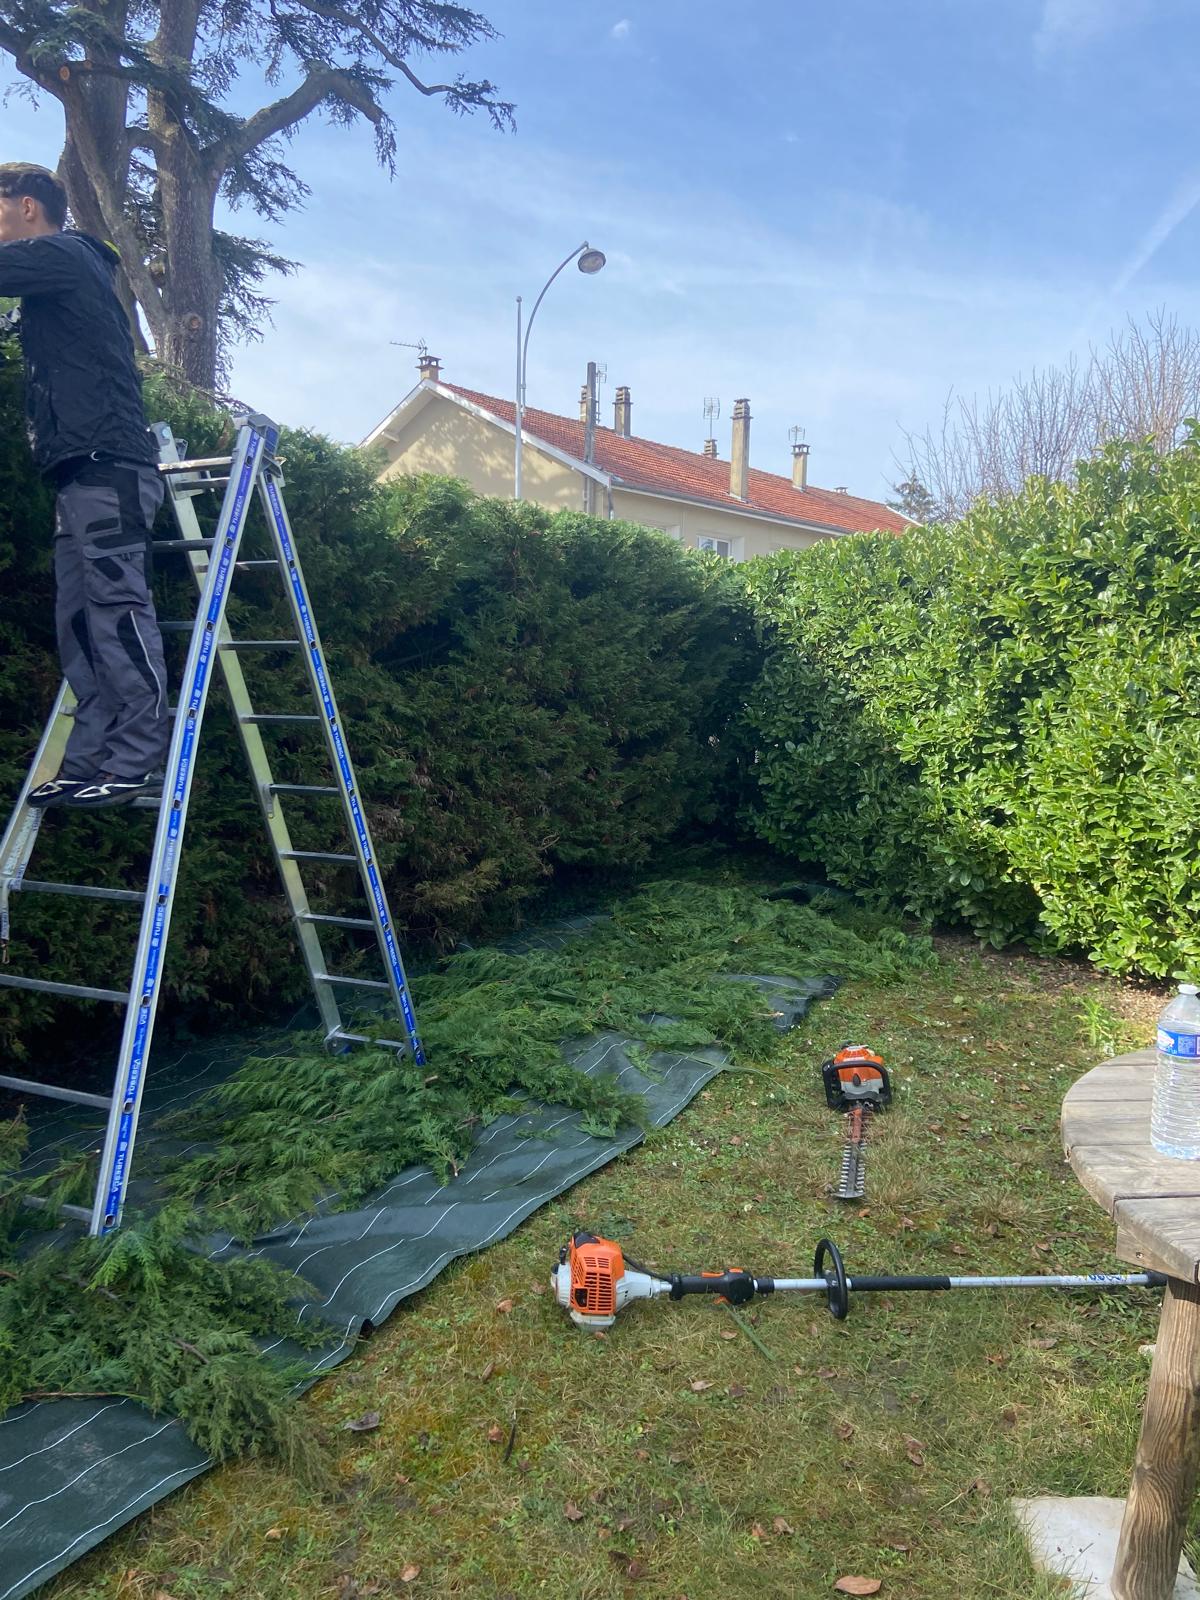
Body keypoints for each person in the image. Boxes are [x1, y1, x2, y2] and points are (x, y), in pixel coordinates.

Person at [0, 161, 167, 809]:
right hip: (76, 471)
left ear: (27, 207)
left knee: (117, 612)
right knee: (78, 620)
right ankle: (92, 758)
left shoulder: (67, 255)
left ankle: (136, 760)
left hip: (109, 466)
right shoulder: (53, 278)